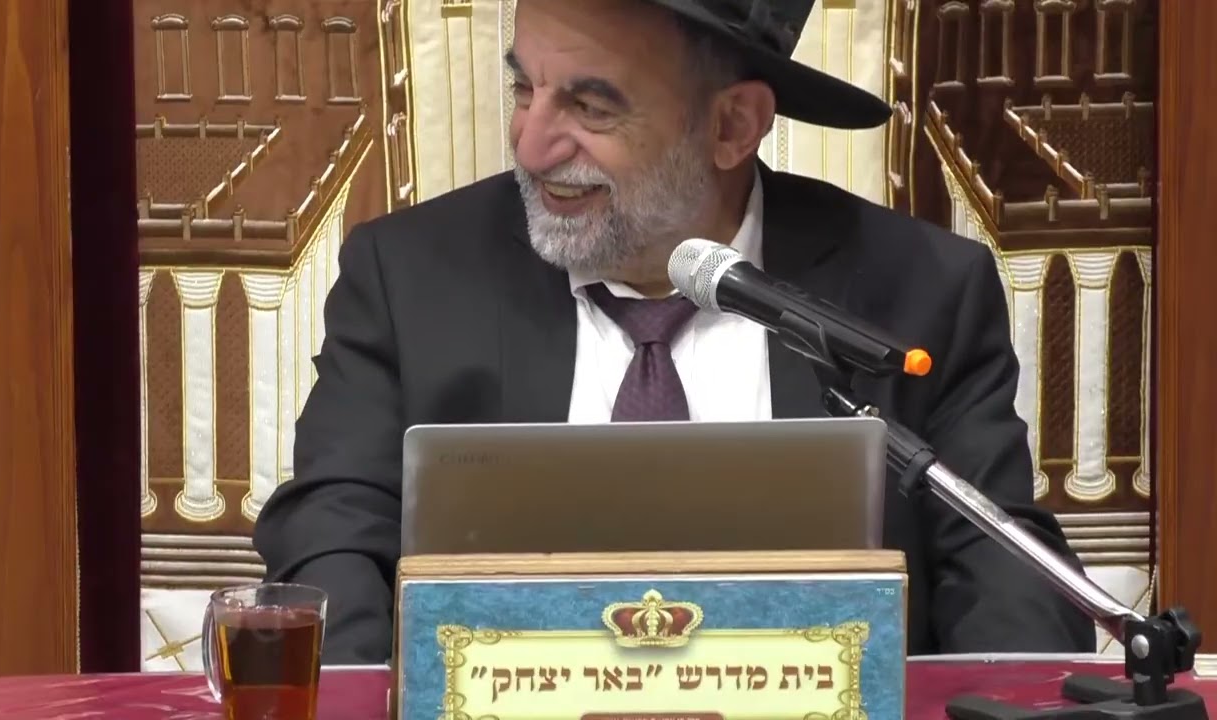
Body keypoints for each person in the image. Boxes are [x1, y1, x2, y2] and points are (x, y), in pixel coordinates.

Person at [253, 0, 1095, 664]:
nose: (531, 145)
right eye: (524, 89)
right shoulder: (409, 275)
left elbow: (1007, 577)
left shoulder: (917, 292)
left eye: (590, 105)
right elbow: (331, 534)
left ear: (732, 126)